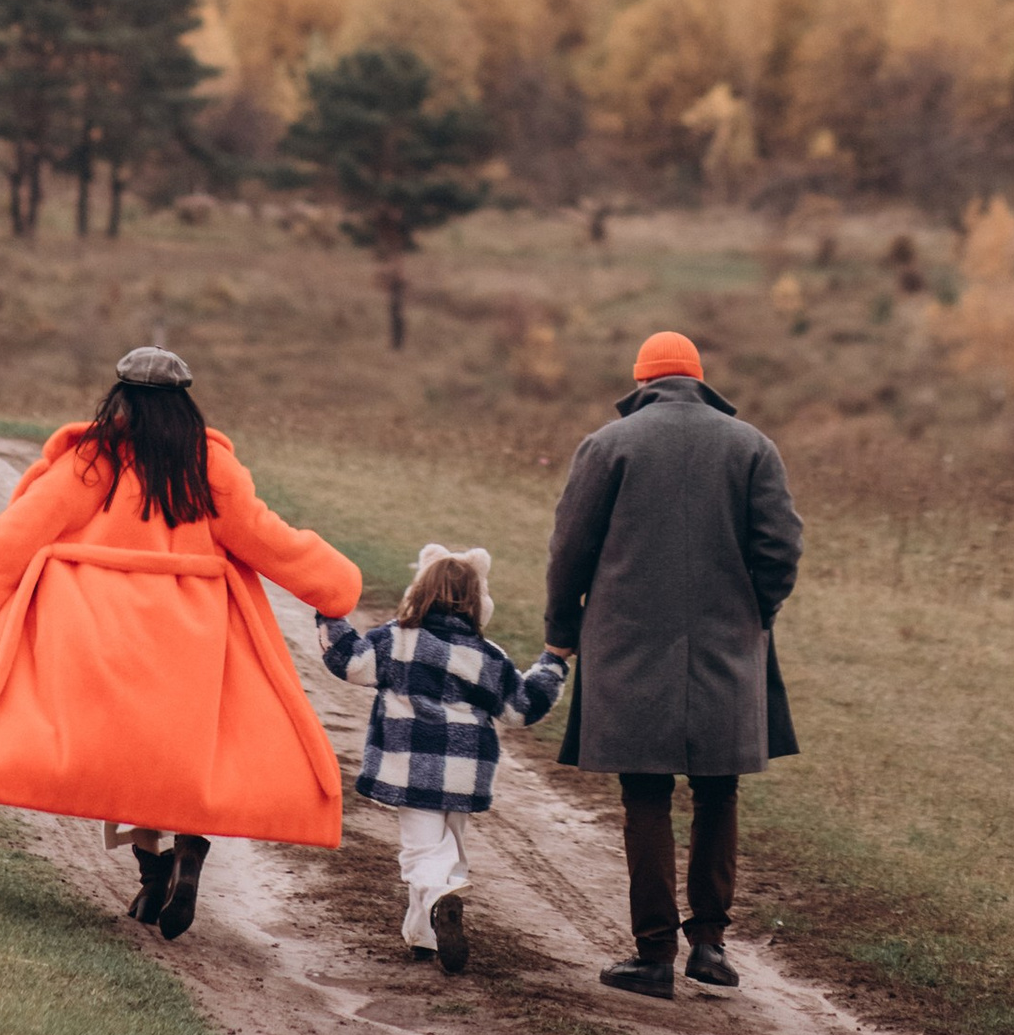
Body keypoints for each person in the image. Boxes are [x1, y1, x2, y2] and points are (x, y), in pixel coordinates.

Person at [0, 344, 363, 940]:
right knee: (183, 754)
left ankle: (152, 870)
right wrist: (336, 586)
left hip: (99, 631)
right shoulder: (209, 468)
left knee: (121, 760)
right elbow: (267, 539)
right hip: (193, 641)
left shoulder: (91, 462)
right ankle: (186, 848)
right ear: (184, 405)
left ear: (119, 398)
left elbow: (20, 531)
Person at [541, 326, 802, 1000]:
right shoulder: (752, 447)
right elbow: (781, 550)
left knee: (645, 794)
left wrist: (561, 633)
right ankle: (710, 946)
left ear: (642, 381)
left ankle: (653, 955)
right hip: (728, 646)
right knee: (720, 791)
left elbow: (568, 551)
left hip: (629, 647)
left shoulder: (607, 445)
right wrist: (755, 617)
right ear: (698, 378)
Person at [317, 541, 569, 975]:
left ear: (418, 592)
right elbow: (521, 707)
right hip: (465, 772)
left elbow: (349, 661)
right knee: (449, 846)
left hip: (410, 764)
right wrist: (553, 662)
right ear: (478, 603)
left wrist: (328, 611)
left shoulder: (396, 639)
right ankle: (424, 936)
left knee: (421, 852)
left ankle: (440, 896)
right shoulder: (489, 657)